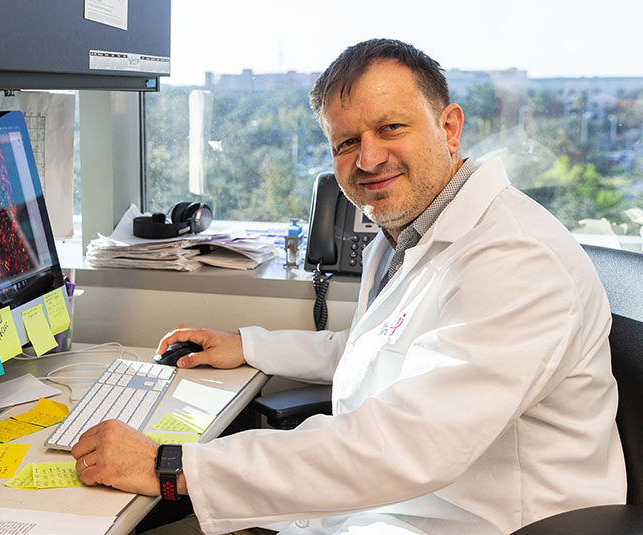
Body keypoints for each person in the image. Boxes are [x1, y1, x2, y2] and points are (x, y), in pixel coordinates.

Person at [71, 38, 626, 535]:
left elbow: (412, 447)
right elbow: (377, 347)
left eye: (391, 128)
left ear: (449, 127)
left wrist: (171, 465)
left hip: (480, 518)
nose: (367, 159)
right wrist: (249, 345)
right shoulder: (406, 232)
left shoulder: (514, 259)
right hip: (392, 503)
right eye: (345, 143)